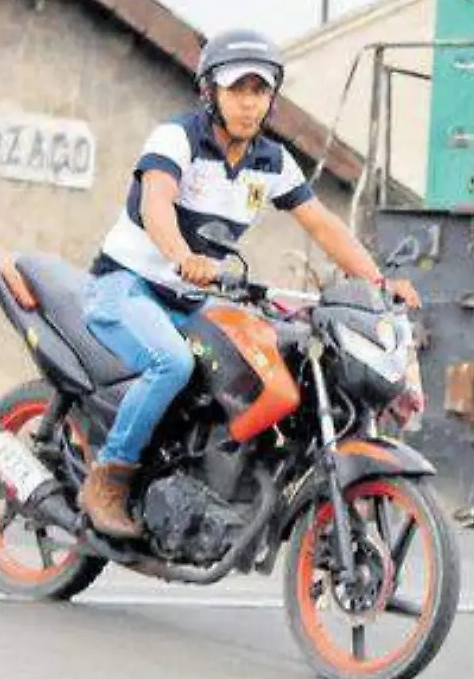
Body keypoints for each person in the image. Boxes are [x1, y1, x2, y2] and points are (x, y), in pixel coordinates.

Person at [79, 28, 420, 539]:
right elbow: (156, 205)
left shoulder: (272, 162)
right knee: (169, 363)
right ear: (210, 91)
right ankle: (109, 478)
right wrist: (183, 257)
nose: (249, 103)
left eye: (260, 91)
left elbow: (322, 224)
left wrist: (378, 281)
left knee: (256, 362)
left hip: (192, 302)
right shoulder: (177, 139)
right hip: (127, 284)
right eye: (238, 89)